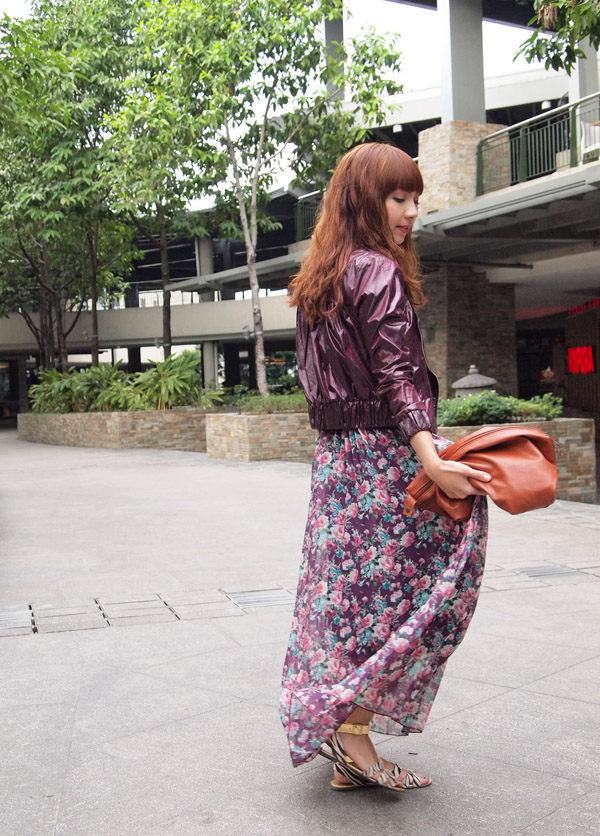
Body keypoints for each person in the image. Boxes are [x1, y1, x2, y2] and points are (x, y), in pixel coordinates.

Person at [279, 143, 490, 794]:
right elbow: (399, 375)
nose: (412, 211)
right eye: (398, 198)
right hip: (378, 460)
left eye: (415, 198)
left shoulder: (321, 276)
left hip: (336, 465)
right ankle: (352, 735)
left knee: (346, 601)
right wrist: (431, 455)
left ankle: (346, 742)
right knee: (425, 591)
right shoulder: (376, 270)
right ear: (364, 200)